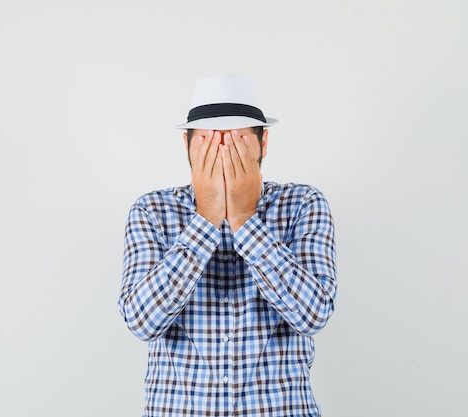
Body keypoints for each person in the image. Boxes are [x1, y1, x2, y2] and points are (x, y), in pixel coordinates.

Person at [118, 73, 337, 416]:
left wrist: (245, 219)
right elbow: (142, 321)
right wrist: (205, 217)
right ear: (187, 145)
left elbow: (314, 314)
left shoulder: (302, 204)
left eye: (235, 141)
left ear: (264, 142)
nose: (223, 153)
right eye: (207, 141)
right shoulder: (152, 211)